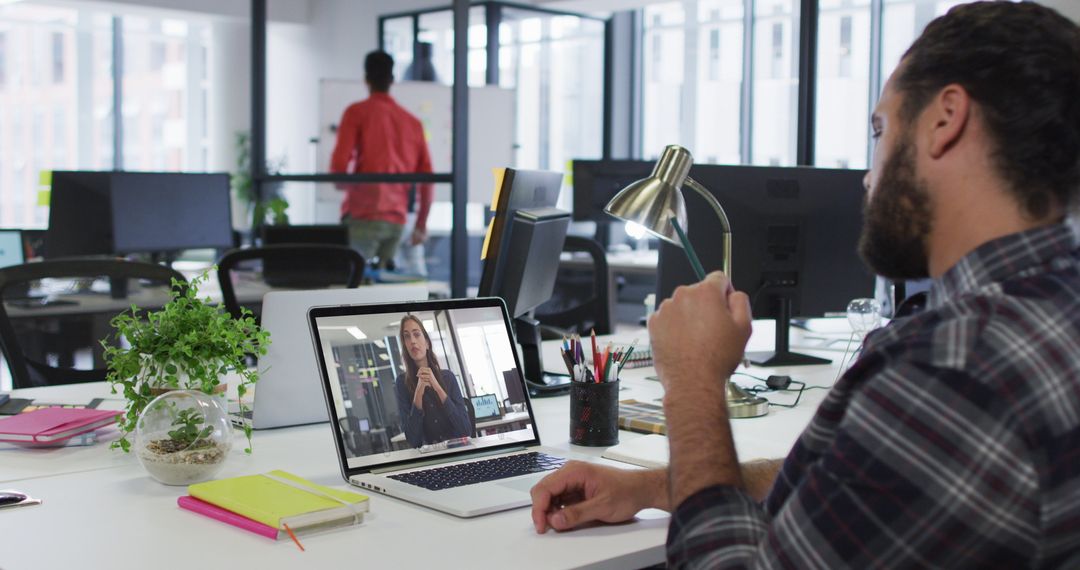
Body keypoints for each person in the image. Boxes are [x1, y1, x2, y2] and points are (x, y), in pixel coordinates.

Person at [530, 2, 1080, 567]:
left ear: (945, 119)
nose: (869, 176)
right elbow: (846, 486)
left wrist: (692, 384)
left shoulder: (955, 366)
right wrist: (652, 488)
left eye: (880, 129)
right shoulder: (1047, 311)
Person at [330, 50, 434, 269]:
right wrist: (421, 223)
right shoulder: (412, 122)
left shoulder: (356, 112)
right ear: (392, 80)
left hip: (363, 216)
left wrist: (348, 185)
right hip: (397, 220)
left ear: (366, 79)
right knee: (387, 294)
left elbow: (338, 169)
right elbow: (428, 179)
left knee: (353, 292)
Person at [394, 315, 472, 448]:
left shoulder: (448, 377)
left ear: (427, 343)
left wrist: (437, 387)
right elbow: (413, 441)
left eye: (417, 334)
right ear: (405, 346)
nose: (412, 341)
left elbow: (465, 431)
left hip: (456, 451)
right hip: (430, 457)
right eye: (407, 336)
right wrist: (418, 393)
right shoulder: (402, 383)